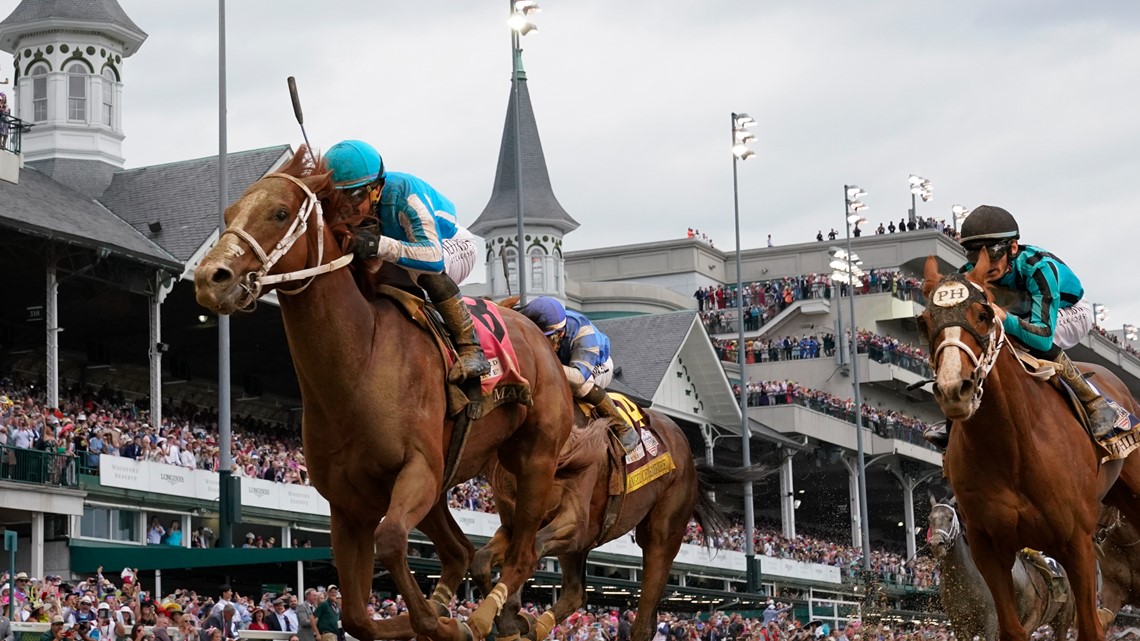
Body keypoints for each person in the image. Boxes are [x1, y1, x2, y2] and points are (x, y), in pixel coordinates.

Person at [924, 205, 1114, 448]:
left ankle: (1094, 402)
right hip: (1019, 312)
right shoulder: (968, 275)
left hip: (1070, 311)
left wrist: (1006, 319)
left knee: (1027, 339)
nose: (986, 262)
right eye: (975, 254)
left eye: (994, 252)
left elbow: (1043, 337)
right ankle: (953, 420)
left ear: (1013, 247)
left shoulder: (1039, 268)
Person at [325, 140, 490, 384]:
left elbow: (433, 257)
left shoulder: (405, 194)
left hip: (452, 246)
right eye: (337, 198)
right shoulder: (357, 204)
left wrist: (378, 244)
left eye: (355, 196)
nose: (346, 208)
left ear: (376, 189)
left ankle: (471, 349)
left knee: (421, 271)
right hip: (405, 252)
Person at [518, 296, 639, 453]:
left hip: (597, 365)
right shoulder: (530, 321)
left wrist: (544, 365)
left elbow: (578, 377)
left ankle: (623, 428)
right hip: (561, 364)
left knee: (579, 386)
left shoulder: (583, 332)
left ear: (560, 334)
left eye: (546, 339)